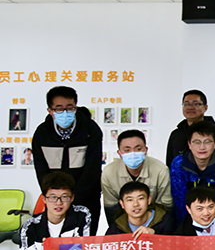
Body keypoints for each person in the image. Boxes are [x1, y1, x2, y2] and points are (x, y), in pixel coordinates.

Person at [32, 86, 103, 234]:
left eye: (70, 108)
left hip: (87, 199)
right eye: (59, 109)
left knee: (85, 242)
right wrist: (57, 198)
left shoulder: (90, 130)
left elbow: (93, 169)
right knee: (56, 242)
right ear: (50, 110)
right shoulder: (42, 134)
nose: (65, 113)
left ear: (75, 107)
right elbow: (41, 171)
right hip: (55, 203)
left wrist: (73, 198)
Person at [169, 121, 215, 223]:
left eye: (207, 142)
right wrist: (187, 226)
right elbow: (180, 200)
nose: (202, 147)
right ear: (189, 144)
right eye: (197, 142)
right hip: (186, 218)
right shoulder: (179, 164)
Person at [101, 130, 173, 222]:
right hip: (123, 222)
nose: (133, 153)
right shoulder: (109, 172)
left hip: (155, 221)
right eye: (127, 150)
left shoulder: (161, 171)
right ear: (119, 153)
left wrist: (153, 227)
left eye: (138, 149)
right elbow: (111, 209)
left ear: (146, 150)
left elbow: (165, 206)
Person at [165, 90, 215, 165]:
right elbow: (170, 163)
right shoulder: (176, 134)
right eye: (186, 104)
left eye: (196, 104)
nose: (190, 107)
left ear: (205, 107)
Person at [105, 181, 175, 237]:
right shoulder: (116, 228)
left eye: (140, 198)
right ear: (122, 204)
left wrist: (155, 234)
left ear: (149, 200)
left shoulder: (165, 221)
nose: (136, 204)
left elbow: (175, 246)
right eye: (130, 200)